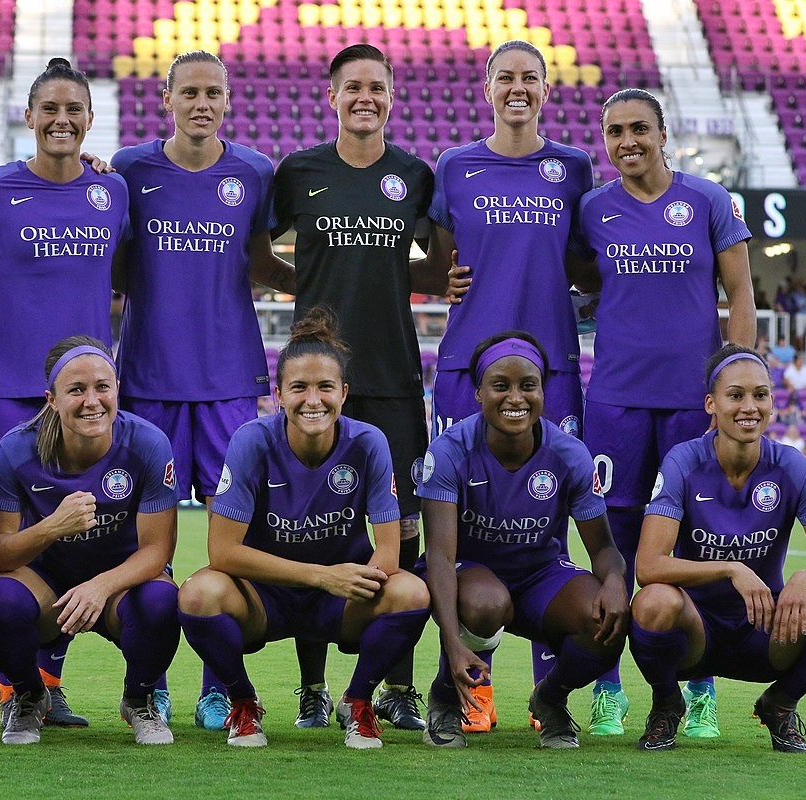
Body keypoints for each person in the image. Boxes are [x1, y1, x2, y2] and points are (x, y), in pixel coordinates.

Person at [107, 50, 296, 731]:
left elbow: (263, 260)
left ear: (227, 99)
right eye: (188, 92)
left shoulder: (252, 172)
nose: (200, 103)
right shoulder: (130, 170)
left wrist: (337, 284)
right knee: (140, 543)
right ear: (166, 98)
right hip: (149, 381)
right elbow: (116, 261)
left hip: (227, 383)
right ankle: (147, 683)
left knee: (231, 541)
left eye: (212, 92)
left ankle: (221, 685)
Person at [422, 38, 594, 733]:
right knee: (459, 526)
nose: (517, 87)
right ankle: (469, 685)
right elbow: (439, 266)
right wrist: (448, 281)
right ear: (486, 88)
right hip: (467, 368)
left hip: (552, 370)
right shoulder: (455, 166)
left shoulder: (573, 169)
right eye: (505, 78)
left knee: (549, 524)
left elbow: (589, 263)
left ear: (547, 90)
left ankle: (547, 694)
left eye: (530, 77)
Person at [271, 42, 444, 733]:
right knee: (315, 532)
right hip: (317, 381)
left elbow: (439, 264)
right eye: (353, 88)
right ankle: (313, 689)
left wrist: (433, 284)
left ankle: (394, 686)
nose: (365, 97)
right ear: (332, 96)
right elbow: (259, 253)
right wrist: (306, 291)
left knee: (399, 537)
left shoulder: (415, 176)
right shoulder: (300, 172)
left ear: (392, 98)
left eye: (377, 87)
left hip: (394, 379)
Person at [575, 87, 756, 736]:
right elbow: (571, 274)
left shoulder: (706, 200)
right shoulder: (594, 209)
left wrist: (739, 384)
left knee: (692, 545)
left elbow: (740, 293)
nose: (627, 141)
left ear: (663, 134)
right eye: (615, 131)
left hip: (691, 405)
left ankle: (700, 688)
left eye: (639, 129)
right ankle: (607, 687)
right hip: (616, 403)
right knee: (613, 550)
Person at [0, 58, 131, 728]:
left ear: (90, 118)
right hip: (11, 392)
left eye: (73, 109)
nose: (62, 120)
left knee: (79, 536)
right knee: (17, 541)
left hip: (88, 395)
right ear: (27, 117)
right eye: (49, 109)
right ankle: (17, 688)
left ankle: (49, 682)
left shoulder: (110, 192)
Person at [177, 308, 430, 748]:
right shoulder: (251, 441)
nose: (313, 400)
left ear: (344, 393)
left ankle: (358, 702)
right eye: (299, 388)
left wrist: (349, 580)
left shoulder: (368, 442)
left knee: (412, 591)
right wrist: (320, 575)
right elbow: (222, 552)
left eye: (325, 387)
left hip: (340, 600)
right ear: (278, 394)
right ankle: (243, 702)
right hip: (264, 597)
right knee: (198, 592)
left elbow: (388, 553)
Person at [629, 345, 806, 752]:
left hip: (766, 630)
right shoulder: (683, 462)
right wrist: (731, 568)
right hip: (697, 630)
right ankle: (667, 704)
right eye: (736, 395)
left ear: (773, 404)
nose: (750, 406)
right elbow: (649, 566)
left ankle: (781, 702)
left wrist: (805, 578)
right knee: (653, 602)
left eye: (760, 395)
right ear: (711, 404)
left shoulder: (792, 466)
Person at [418, 331, 627, 749]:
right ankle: (444, 697)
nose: (516, 397)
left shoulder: (570, 454)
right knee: (486, 602)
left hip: (540, 578)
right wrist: (452, 643)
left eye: (527, 385)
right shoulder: (449, 451)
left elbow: (603, 548)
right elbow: (440, 556)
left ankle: (549, 698)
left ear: (542, 391)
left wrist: (618, 581)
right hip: (471, 577)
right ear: (478, 392)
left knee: (607, 620)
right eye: (501, 386)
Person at [0, 336, 180, 745]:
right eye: (76, 390)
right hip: (45, 585)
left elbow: (157, 551)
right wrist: (53, 526)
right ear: (51, 399)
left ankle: (139, 699)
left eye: (102, 387)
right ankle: (30, 695)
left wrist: (99, 587)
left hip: (119, 587)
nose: (92, 401)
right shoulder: (18, 448)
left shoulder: (148, 443)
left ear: (117, 388)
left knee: (163, 601)